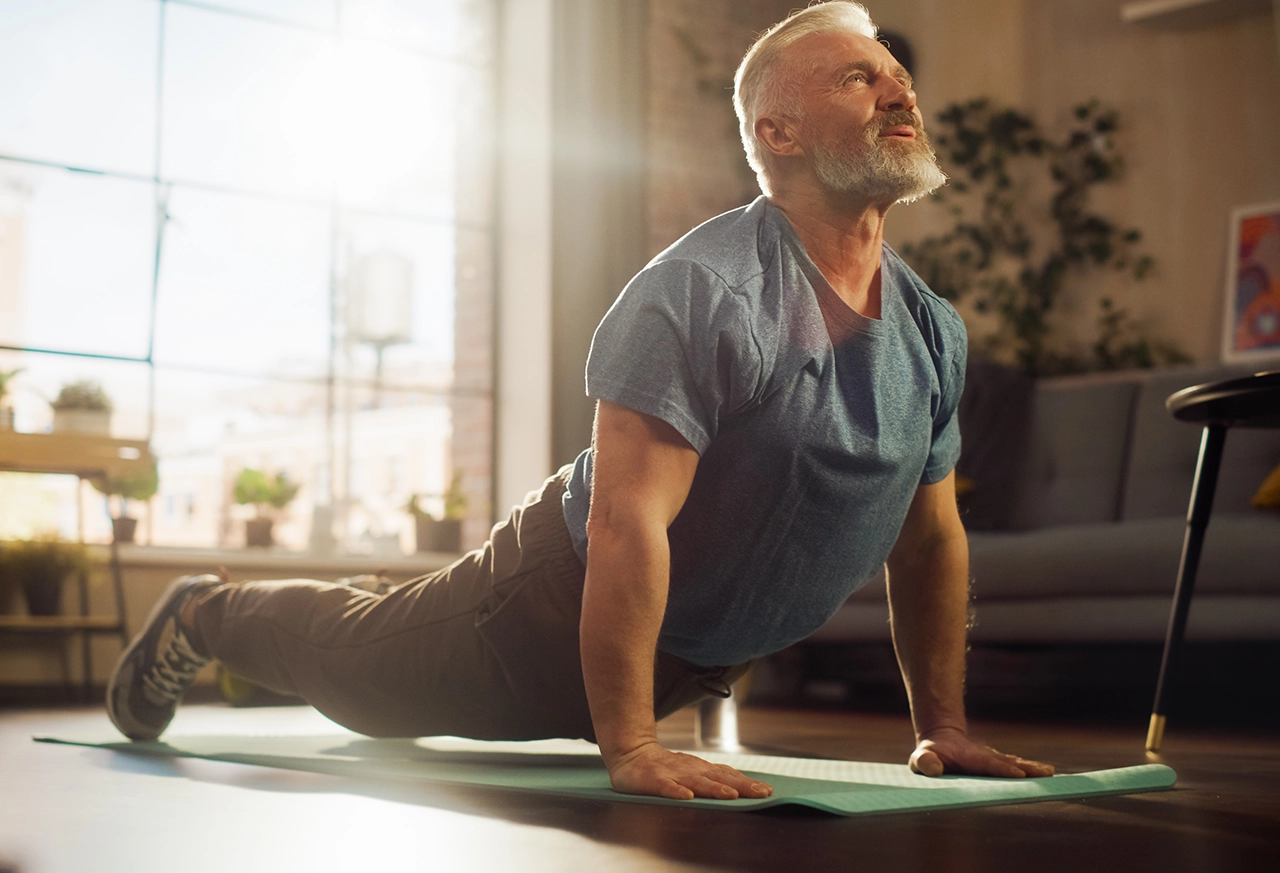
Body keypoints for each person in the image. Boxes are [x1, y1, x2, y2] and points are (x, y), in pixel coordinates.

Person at [107, 0, 1053, 802]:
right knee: (367, 679)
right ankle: (202, 612)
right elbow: (624, 521)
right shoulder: (704, 291)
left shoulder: (930, 327)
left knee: (386, 645)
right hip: (545, 602)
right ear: (779, 133)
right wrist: (631, 744)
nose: (901, 91)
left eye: (898, 74)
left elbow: (929, 539)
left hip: (683, 648)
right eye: (858, 77)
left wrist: (946, 729)